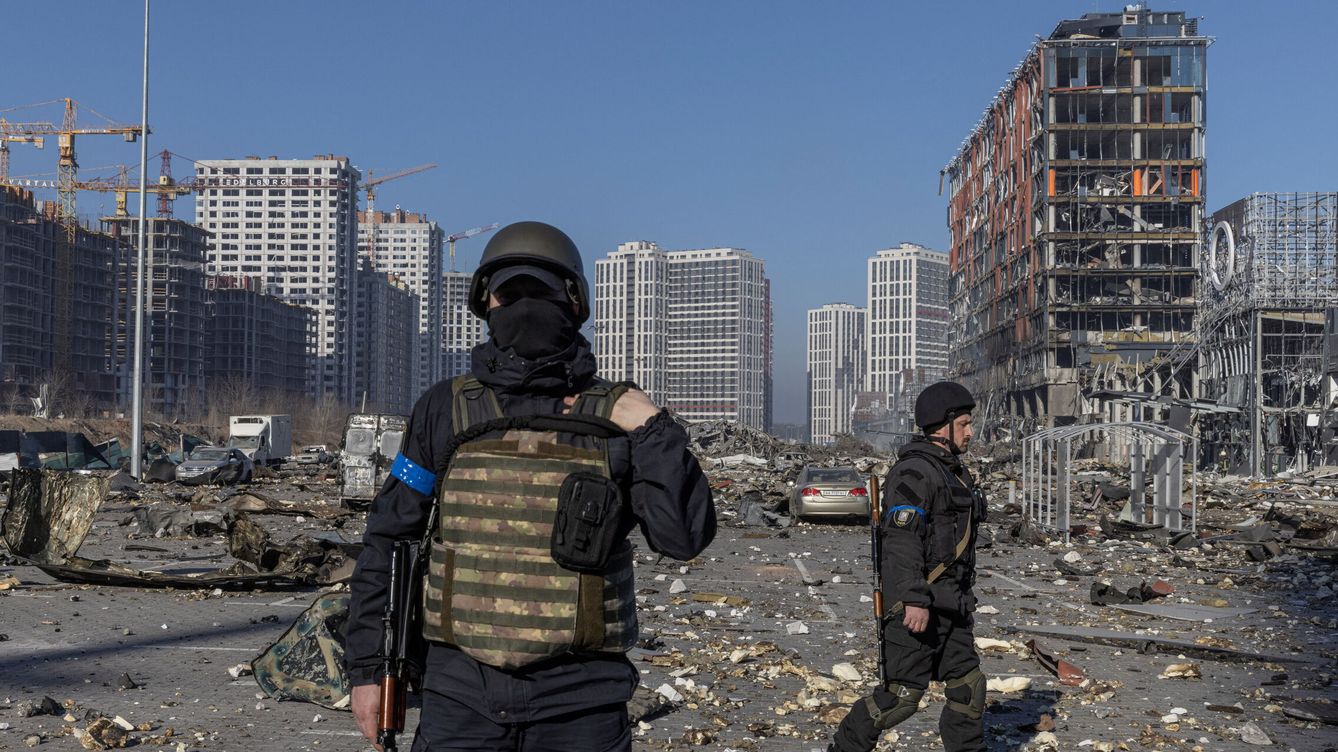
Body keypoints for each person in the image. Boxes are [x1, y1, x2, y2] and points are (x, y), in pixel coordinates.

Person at [344, 220, 717, 752]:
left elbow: (682, 538)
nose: (523, 306)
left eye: (539, 293)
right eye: (509, 294)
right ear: (485, 305)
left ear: (574, 303)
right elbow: (389, 540)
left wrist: (654, 430)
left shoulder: (620, 414)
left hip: (581, 702)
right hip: (460, 696)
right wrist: (368, 669)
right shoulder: (443, 410)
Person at [828, 381, 988, 752]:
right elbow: (901, 543)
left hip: (951, 605)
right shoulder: (915, 473)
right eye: (964, 424)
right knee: (898, 699)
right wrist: (914, 599)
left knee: (968, 688)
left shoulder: (953, 472)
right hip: (918, 607)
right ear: (942, 426)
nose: (970, 432)